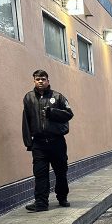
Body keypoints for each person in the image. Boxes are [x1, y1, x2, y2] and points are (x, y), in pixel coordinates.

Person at [22, 70, 74, 211]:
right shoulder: (28, 98)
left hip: (57, 142)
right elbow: (25, 121)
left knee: (61, 172)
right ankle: (41, 203)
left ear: (48, 81)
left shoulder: (58, 97)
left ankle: (62, 197)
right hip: (39, 143)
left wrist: (53, 112)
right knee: (40, 174)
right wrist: (28, 142)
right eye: (38, 79)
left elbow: (69, 114)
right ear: (34, 81)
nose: (40, 81)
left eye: (43, 79)